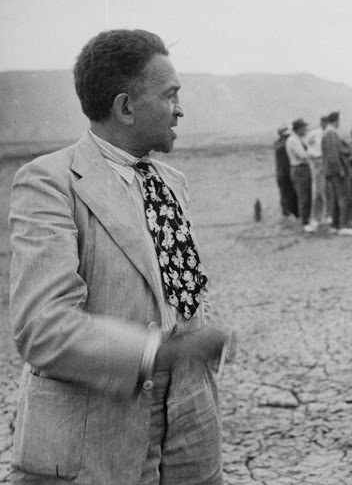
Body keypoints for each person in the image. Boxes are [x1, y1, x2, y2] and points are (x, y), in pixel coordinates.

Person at [9, 29, 233, 485]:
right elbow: (42, 328)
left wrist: (199, 349)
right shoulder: (49, 183)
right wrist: (158, 353)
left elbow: (179, 286)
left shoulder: (172, 182)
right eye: (170, 95)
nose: (181, 109)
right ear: (125, 107)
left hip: (192, 423)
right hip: (97, 437)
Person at [321, 111, 352, 236]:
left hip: (333, 171)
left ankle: (336, 225)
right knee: (344, 197)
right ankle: (343, 225)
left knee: (336, 198)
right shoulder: (330, 134)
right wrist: (340, 170)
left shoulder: (329, 134)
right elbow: (333, 155)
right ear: (335, 121)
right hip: (338, 171)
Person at [285, 118, 315, 232]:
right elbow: (302, 155)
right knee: (304, 196)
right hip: (299, 169)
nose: (306, 130)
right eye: (304, 128)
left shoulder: (298, 139)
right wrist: (311, 153)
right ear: (298, 129)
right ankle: (305, 222)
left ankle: (306, 219)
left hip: (302, 169)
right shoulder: (293, 140)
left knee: (306, 195)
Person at [305, 115, 328, 227]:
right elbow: (306, 145)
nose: (325, 124)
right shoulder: (315, 133)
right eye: (324, 122)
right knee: (319, 190)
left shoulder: (329, 133)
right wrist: (313, 156)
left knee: (327, 190)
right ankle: (316, 218)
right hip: (319, 161)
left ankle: (327, 217)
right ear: (321, 122)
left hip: (327, 162)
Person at [274, 124, 298, 220]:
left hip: (289, 172)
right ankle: (286, 214)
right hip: (283, 174)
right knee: (284, 194)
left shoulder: (286, 142)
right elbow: (279, 147)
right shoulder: (279, 144)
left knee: (292, 194)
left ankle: (293, 213)